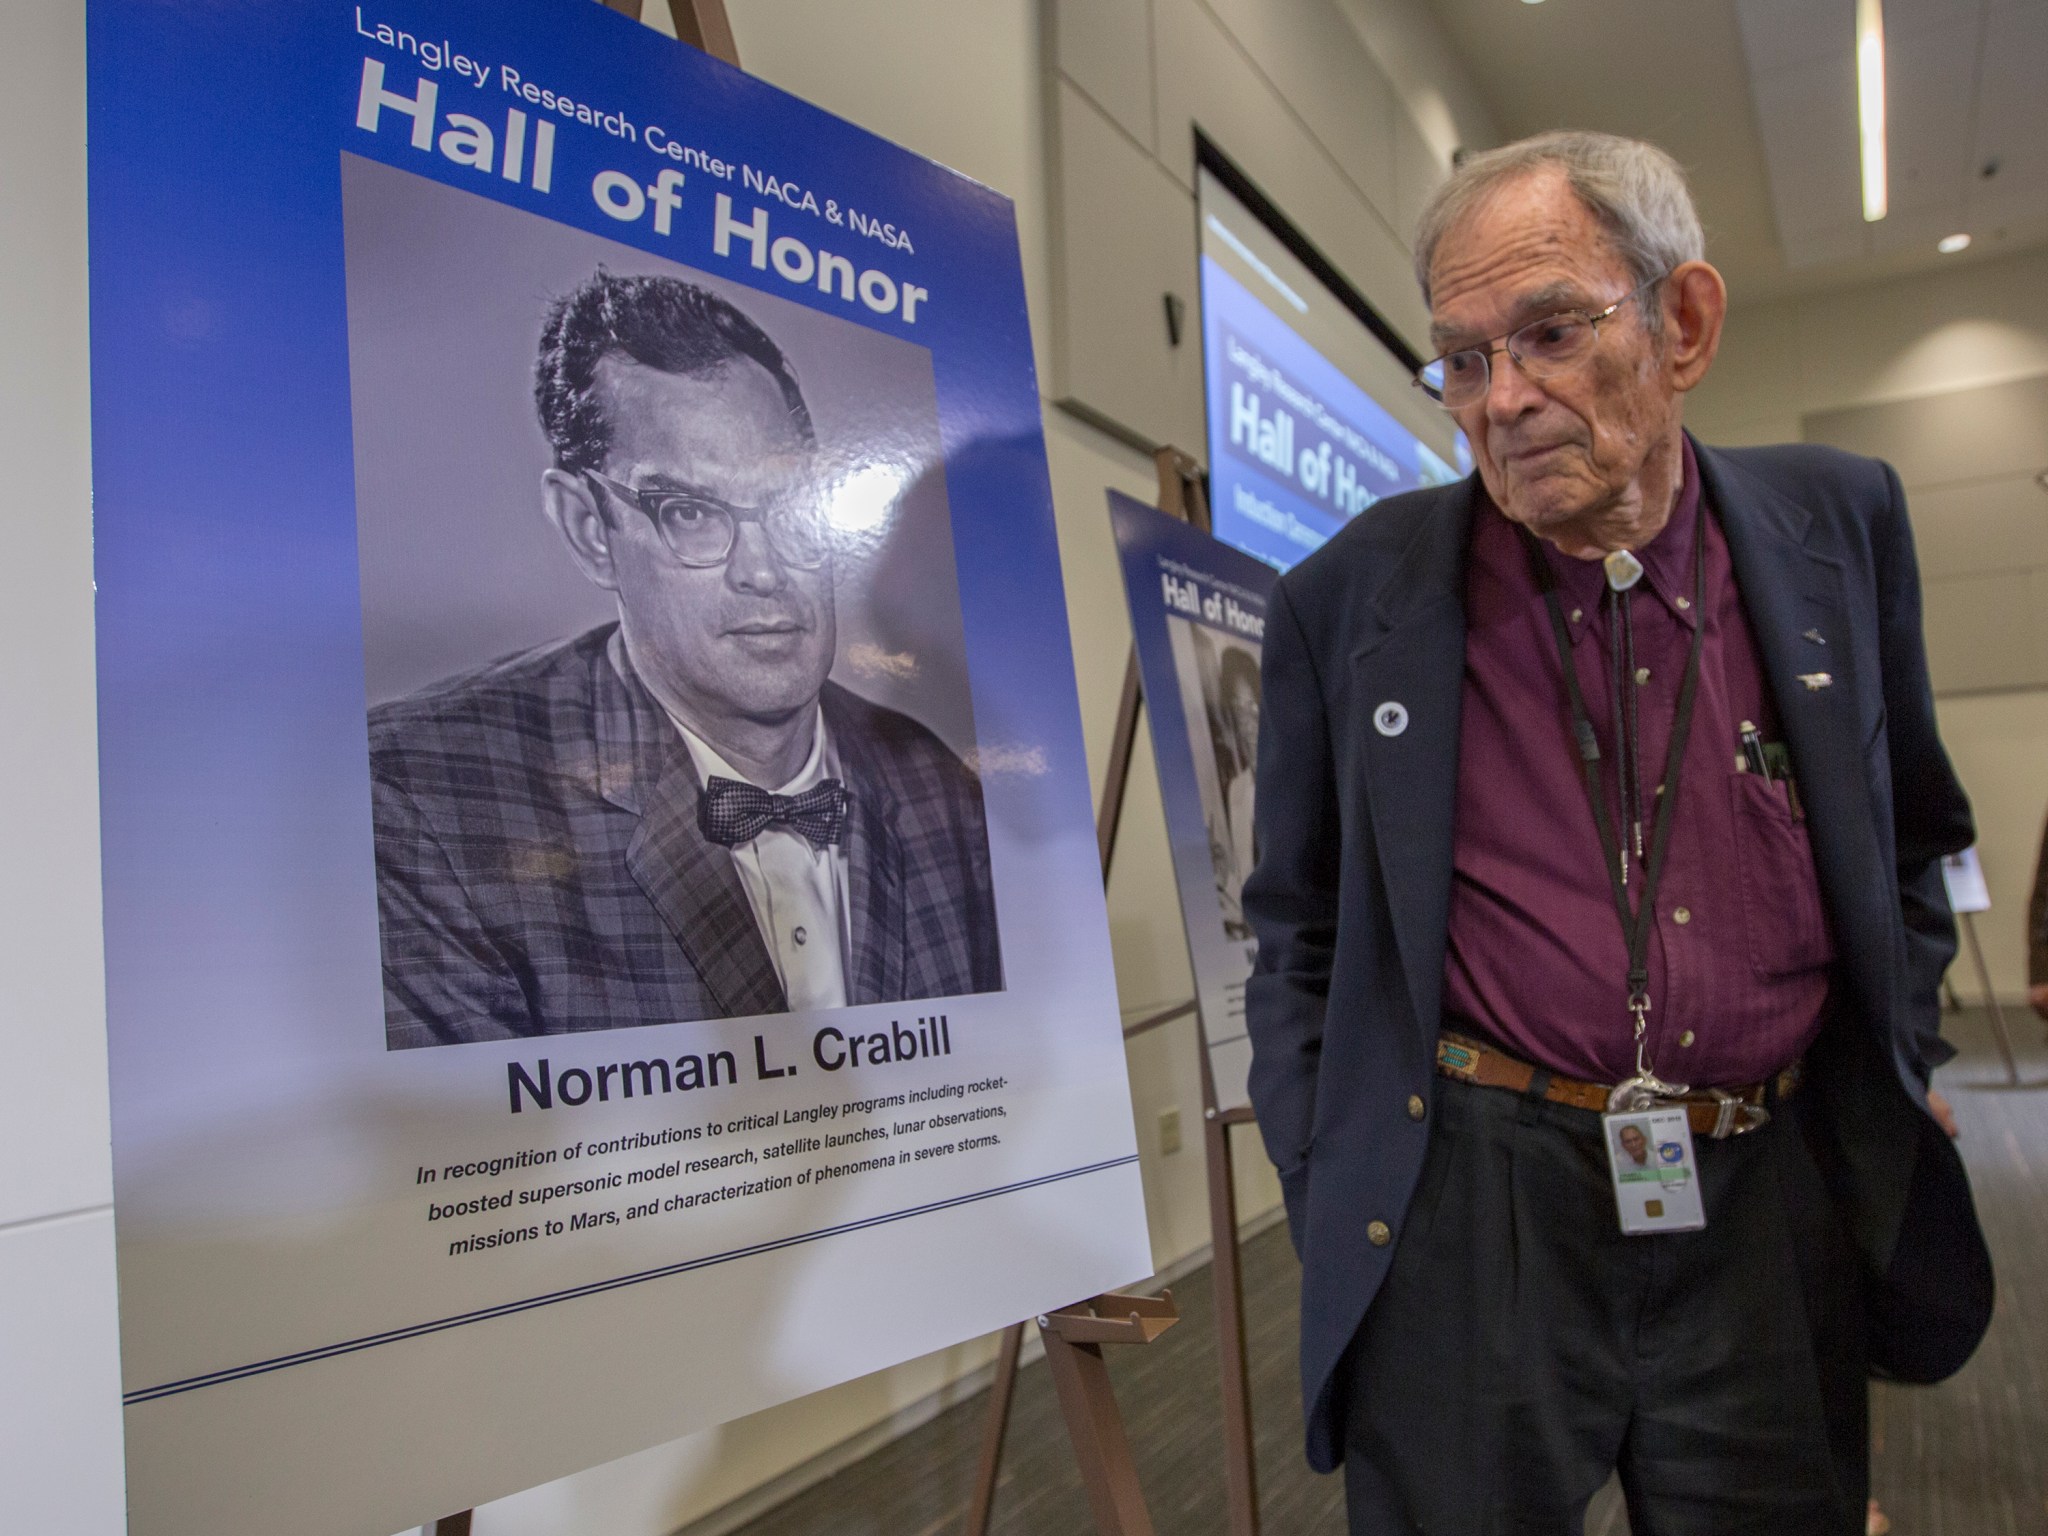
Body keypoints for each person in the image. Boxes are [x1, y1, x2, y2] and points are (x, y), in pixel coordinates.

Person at [1243, 131, 1993, 1534]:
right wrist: (1326, 1165)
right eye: (1462, 360)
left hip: (1767, 1201)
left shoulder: (1841, 526)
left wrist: (1902, 1054)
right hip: (1479, 1211)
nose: (1501, 401)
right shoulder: (1347, 604)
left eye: (1549, 335)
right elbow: (1302, 929)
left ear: (1682, 323)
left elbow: (1911, 838)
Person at [371, 272, 1001, 1049]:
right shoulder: (420, 802)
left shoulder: (945, 790)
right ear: (588, 529)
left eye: (791, 502)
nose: (765, 570)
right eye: (692, 513)